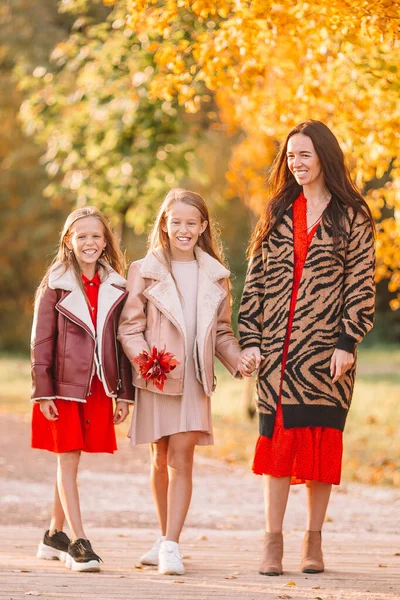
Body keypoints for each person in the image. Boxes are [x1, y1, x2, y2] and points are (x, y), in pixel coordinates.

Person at [238, 121, 375, 576]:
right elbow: (255, 280)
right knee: (277, 444)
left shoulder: (352, 214)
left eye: (304, 155)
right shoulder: (276, 210)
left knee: (319, 445)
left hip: (326, 355)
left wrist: (347, 341)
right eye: (290, 156)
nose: (296, 163)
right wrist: (251, 337)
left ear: (324, 157)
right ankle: (272, 542)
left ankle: (313, 542)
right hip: (276, 352)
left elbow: (360, 282)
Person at [118, 188, 252, 576]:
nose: (183, 229)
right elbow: (130, 327)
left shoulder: (216, 275)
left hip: (193, 379)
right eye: (176, 222)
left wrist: (238, 358)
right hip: (157, 377)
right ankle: (163, 537)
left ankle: (173, 544)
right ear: (164, 224)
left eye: (191, 223)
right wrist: (146, 361)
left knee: (181, 459)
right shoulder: (143, 270)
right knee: (158, 459)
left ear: (203, 227)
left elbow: (223, 332)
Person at [31, 206, 134, 572]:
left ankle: (52, 536)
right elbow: (41, 340)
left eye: (96, 236)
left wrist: (124, 393)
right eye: (81, 236)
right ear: (68, 241)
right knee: (68, 460)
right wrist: (42, 390)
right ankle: (79, 543)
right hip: (61, 388)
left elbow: (121, 342)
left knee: (71, 463)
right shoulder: (55, 285)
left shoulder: (117, 286)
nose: (89, 242)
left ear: (105, 242)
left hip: (98, 386)